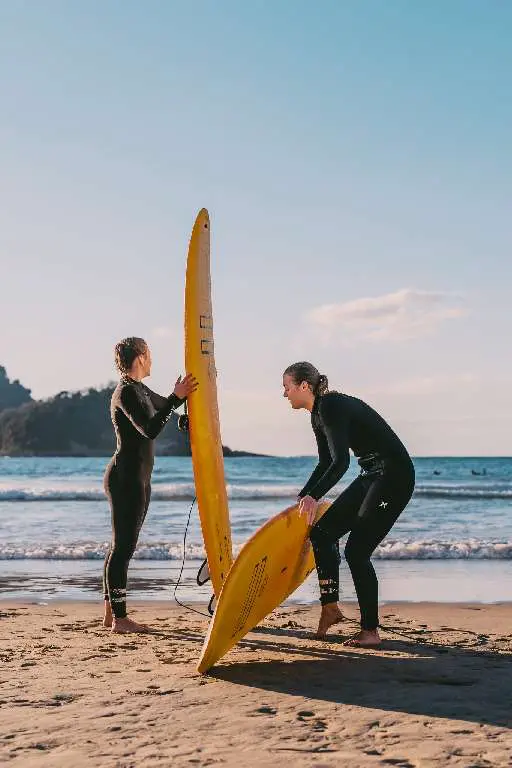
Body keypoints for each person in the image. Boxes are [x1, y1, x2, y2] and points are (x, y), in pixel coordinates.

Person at [283, 361, 415, 648]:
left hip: (394, 475)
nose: (285, 394)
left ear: (304, 386)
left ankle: (370, 631)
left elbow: (341, 462)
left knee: (357, 551)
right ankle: (330, 608)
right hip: (372, 473)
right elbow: (325, 462)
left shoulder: (330, 406)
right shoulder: (317, 414)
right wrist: (305, 495)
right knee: (322, 533)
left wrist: (314, 496)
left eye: (287, 387)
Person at [103, 337, 197, 633]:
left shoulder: (139, 390)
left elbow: (166, 407)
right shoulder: (126, 392)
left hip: (137, 477)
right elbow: (151, 428)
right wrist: (174, 399)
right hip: (126, 478)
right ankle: (120, 620)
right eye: (150, 354)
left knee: (121, 545)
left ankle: (111, 613)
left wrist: (184, 409)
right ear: (141, 357)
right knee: (123, 547)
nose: (153, 359)